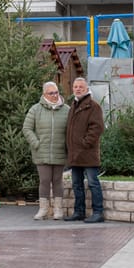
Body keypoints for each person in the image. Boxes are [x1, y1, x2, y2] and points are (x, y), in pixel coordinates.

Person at [22, 81, 69, 220]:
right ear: (44, 94)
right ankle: (43, 209)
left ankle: (58, 209)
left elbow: (71, 130)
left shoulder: (66, 109)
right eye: (51, 93)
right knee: (44, 180)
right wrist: (36, 143)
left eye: (56, 92)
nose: (55, 95)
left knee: (57, 180)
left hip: (60, 151)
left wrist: (67, 145)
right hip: (41, 152)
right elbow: (27, 128)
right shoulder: (36, 109)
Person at [64, 77, 105, 223]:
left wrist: (84, 143)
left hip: (88, 153)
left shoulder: (93, 106)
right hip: (75, 154)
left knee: (93, 182)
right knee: (76, 184)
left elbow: (97, 128)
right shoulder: (73, 106)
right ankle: (79, 211)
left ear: (87, 88)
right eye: (75, 86)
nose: (78, 89)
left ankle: (98, 212)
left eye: (81, 86)